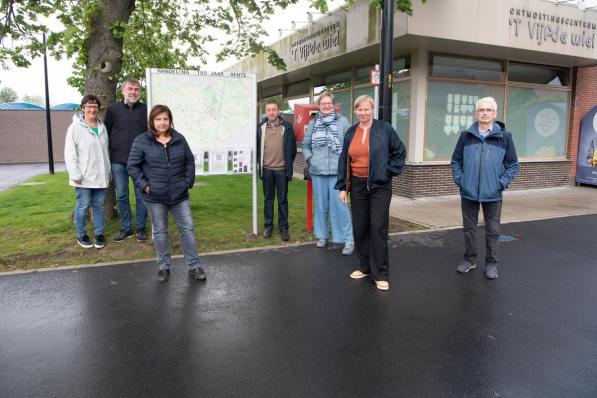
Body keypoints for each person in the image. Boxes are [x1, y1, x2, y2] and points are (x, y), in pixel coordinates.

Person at [127, 105, 206, 283]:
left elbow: (189, 162)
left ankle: (194, 266)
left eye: (165, 119)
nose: (162, 122)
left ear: (170, 120)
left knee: (188, 230)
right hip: (155, 197)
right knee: (160, 231)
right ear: (152, 121)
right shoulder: (142, 140)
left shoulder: (179, 139)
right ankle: (164, 267)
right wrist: (145, 186)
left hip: (179, 195)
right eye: (158, 119)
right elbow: (132, 166)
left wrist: (187, 182)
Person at [336, 95, 406, 291]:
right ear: (356, 111)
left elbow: (399, 152)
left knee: (377, 227)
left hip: (379, 187)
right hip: (357, 186)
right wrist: (343, 187)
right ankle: (365, 266)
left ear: (372, 110)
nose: (363, 113)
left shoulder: (385, 130)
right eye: (360, 110)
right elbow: (344, 160)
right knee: (360, 227)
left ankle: (381, 273)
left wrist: (388, 172)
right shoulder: (351, 132)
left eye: (366, 109)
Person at [451, 97, 519, 280]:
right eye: (481, 110)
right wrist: (461, 180)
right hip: (469, 192)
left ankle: (491, 264)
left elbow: (513, 165)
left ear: (495, 114)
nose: (485, 113)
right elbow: (456, 161)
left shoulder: (505, 137)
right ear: (476, 113)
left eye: (489, 110)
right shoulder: (466, 136)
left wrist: (500, 183)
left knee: (493, 231)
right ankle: (470, 260)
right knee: (469, 229)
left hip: (493, 193)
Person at [302, 92, 354, 255]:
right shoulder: (313, 123)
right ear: (319, 106)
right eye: (323, 103)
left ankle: (348, 239)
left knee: (340, 206)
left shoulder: (342, 121)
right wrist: (311, 159)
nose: (326, 106)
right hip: (318, 171)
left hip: (337, 172)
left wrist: (345, 164)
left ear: (333, 105)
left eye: (329, 103)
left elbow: (349, 144)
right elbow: (305, 145)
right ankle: (322, 235)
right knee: (321, 205)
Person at [104, 77, 149, 243]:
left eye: (136, 89)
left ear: (140, 92)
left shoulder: (146, 109)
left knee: (141, 196)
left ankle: (141, 228)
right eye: (130, 89)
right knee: (122, 196)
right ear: (123, 91)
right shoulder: (113, 109)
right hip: (118, 161)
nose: (133, 92)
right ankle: (126, 228)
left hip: (141, 162)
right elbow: (106, 134)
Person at [64, 95, 111, 249]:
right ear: (83, 108)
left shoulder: (102, 127)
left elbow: (105, 152)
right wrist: (75, 174)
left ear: (98, 109)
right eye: (89, 106)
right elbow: (70, 153)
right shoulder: (75, 128)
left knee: (98, 206)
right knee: (83, 205)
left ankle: (99, 234)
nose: (92, 109)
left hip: (101, 176)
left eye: (95, 106)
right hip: (83, 177)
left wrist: (108, 171)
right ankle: (81, 234)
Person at [256, 100, 297, 241]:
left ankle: (283, 228)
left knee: (282, 200)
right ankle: (268, 226)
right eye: (269, 110)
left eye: (274, 109)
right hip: (266, 170)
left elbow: (292, 150)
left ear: (279, 111)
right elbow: (257, 148)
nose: (271, 112)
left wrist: (288, 166)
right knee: (268, 200)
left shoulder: (287, 127)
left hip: (282, 171)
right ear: (266, 112)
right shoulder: (260, 127)